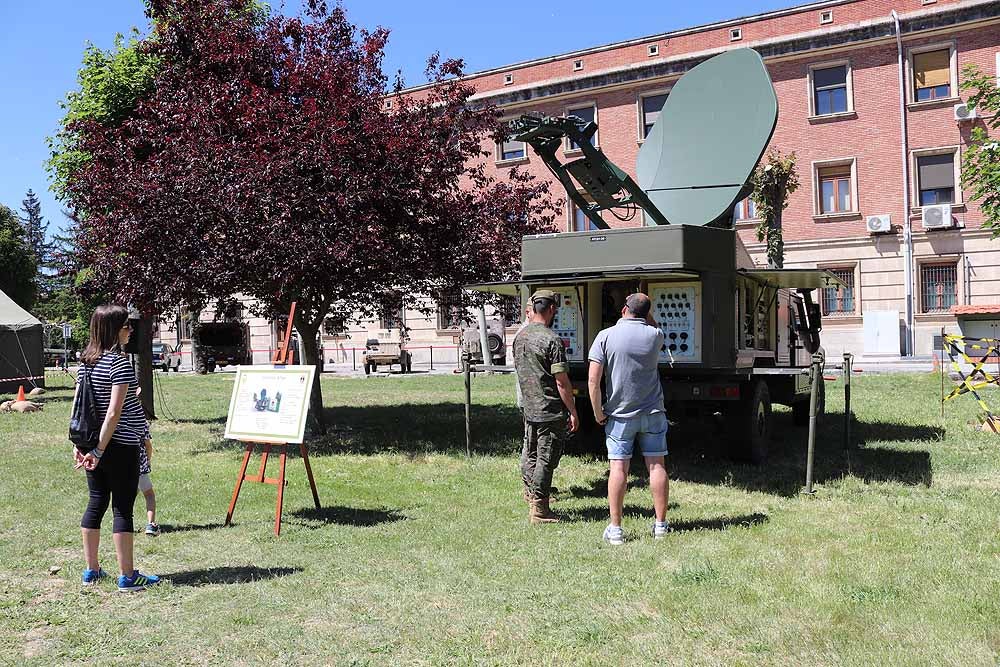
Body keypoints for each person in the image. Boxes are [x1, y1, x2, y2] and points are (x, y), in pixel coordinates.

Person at [74, 304, 160, 591]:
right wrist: (99, 449)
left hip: (92, 446)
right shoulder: (118, 363)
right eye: (126, 326)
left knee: (96, 502)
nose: (130, 330)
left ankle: (92, 571)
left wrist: (83, 446)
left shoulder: (85, 361)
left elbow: (80, 408)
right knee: (122, 508)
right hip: (118, 445)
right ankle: (128, 576)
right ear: (113, 329)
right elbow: (113, 413)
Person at [587, 293, 670, 545]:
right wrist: (647, 313)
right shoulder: (655, 336)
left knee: (619, 469)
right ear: (646, 313)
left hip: (620, 415)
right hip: (653, 413)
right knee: (656, 467)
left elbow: (593, 380)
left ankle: (616, 528)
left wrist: (598, 412)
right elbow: (653, 325)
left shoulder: (605, 336)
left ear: (623, 309)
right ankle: (660, 526)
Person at [513, 290, 579, 523]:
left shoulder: (520, 337)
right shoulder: (551, 339)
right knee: (546, 458)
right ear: (551, 309)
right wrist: (572, 410)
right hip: (549, 409)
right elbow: (561, 382)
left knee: (529, 453)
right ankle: (540, 509)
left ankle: (530, 495)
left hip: (529, 406)